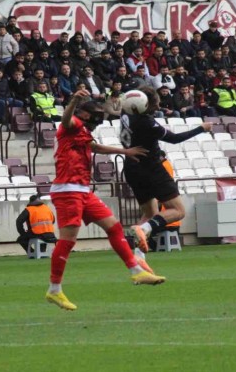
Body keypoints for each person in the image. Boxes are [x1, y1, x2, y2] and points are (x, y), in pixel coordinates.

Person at [45, 89, 165, 311]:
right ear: (88, 116)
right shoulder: (70, 126)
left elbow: (95, 147)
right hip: (67, 190)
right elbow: (65, 119)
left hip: (82, 190)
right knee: (68, 240)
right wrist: (73, 100)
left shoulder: (81, 132)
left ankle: (136, 272)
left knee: (114, 227)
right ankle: (54, 289)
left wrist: (125, 151)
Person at [122, 87, 213, 253]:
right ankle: (143, 229)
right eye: (155, 102)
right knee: (178, 211)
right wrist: (201, 128)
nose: (158, 105)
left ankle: (136, 253)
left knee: (150, 214)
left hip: (131, 167)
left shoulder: (126, 114)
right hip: (150, 168)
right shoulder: (147, 122)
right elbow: (174, 139)